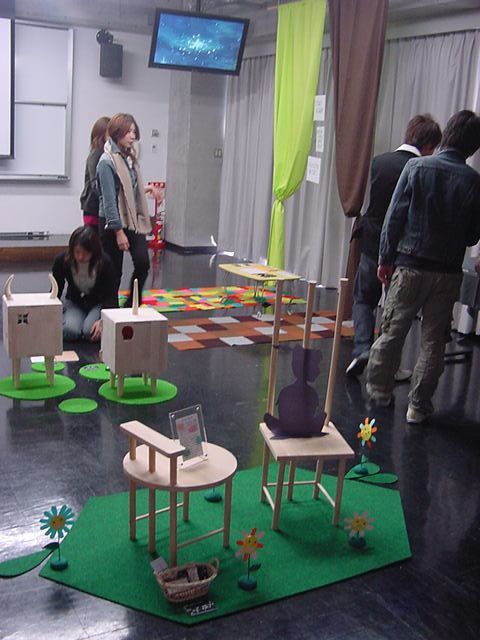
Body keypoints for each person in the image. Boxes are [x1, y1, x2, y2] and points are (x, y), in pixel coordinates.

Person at [366, 110, 480, 423]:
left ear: (447, 134)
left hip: (409, 266)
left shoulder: (416, 167)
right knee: (434, 342)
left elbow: (394, 218)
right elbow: (472, 236)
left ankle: (380, 392)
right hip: (448, 273)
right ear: (473, 146)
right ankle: (418, 406)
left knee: (392, 332)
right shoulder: (474, 182)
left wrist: (385, 259)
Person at [346, 114, 442, 377]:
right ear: (429, 145)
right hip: (402, 250)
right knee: (395, 310)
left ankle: (362, 348)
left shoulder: (380, 162)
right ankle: (388, 366)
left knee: (363, 299)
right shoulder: (423, 169)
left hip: (371, 242)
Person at [96, 113, 162, 306]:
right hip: (112, 222)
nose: (133, 136)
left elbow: (128, 190)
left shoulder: (128, 158)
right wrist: (118, 232)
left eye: (134, 132)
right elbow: (109, 201)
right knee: (113, 271)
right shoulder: (107, 161)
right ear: (117, 133)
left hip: (131, 219)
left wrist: (147, 189)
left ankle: (131, 304)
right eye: (129, 132)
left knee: (143, 263)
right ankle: (109, 311)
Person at [52, 226, 118, 341]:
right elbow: (56, 288)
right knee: (70, 332)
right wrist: (52, 312)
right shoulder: (62, 260)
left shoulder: (105, 263)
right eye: (77, 252)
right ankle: (74, 319)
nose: (80, 257)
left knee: (90, 332)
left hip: (98, 303)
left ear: (93, 251)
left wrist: (103, 320)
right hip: (75, 302)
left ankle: (86, 323)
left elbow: (111, 295)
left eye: (85, 253)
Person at [80, 116, 110, 230]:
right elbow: (95, 185)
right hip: (93, 208)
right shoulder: (96, 154)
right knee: (94, 238)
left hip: (99, 206)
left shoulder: (106, 154)